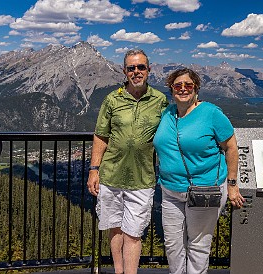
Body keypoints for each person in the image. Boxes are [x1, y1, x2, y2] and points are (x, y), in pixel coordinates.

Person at [153, 68, 245, 274]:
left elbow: (231, 147)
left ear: (196, 89)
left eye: (188, 85)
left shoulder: (211, 114)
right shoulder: (167, 113)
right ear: (171, 90)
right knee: (173, 245)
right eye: (178, 86)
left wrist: (232, 185)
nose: (183, 89)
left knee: (198, 245)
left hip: (204, 190)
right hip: (170, 190)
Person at [87, 49, 168, 274]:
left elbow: (173, 128)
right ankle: (118, 271)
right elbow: (101, 135)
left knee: (134, 233)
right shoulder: (112, 99)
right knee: (115, 229)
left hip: (143, 178)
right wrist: (94, 169)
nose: (136, 72)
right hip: (111, 174)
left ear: (149, 70)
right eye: (131, 68)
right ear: (124, 71)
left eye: (141, 67)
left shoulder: (160, 100)